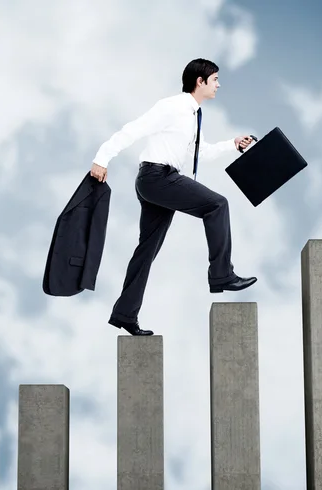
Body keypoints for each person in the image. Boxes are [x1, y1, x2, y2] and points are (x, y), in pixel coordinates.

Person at [90, 58, 257, 336]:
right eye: (215, 79)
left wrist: (233, 144)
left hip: (158, 181)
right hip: (158, 178)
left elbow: (199, 153)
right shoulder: (172, 107)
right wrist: (102, 158)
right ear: (200, 81)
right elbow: (133, 129)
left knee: (147, 250)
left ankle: (125, 314)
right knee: (217, 205)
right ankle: (221, 274)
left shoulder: (193, 115)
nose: (219, 84)